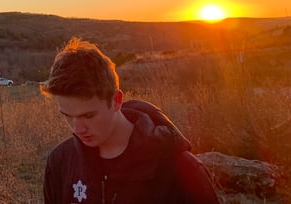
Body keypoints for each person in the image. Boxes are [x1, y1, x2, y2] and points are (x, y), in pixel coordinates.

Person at [40, 37, 219, 204]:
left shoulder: (181, 169)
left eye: (89, 116)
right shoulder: (60, 163)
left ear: (117, 100)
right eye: (68, 116)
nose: (77, 129)